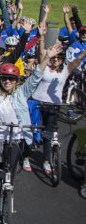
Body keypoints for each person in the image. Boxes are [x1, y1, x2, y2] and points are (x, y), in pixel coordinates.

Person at [0, 38, 61, 222]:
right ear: (0, 79)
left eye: (11, 80)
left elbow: (36, 76)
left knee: (10, 174)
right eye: (4, 79)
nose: (7, 82)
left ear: (16, 81)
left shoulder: (22, 93)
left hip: (14, 140)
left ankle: (3, 202)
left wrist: (47, 58)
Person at [23, 22, 86, 173]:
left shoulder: (65, 70)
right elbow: (40, 54)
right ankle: (26, 156)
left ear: (62, 59)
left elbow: (76, 60)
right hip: (37, 103)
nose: (56, 59)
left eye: (59, 58)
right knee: (32, 131)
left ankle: (46, 160)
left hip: (53, 105)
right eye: (54, 57)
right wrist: (42, 36)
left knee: (48, 134)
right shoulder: (43, 66)